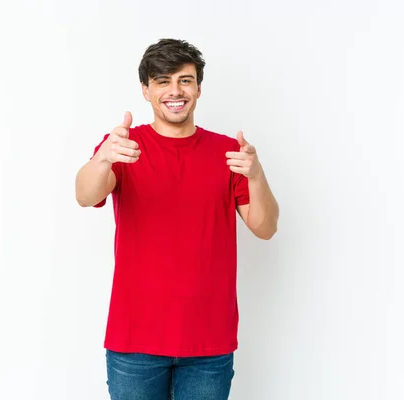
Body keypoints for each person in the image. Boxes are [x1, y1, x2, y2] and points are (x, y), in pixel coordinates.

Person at [75, 38, 279, 400]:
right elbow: (86, 195)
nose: (175, 90)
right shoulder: (123, 146)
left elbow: (265, 228)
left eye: (184, 80)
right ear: (145, 90)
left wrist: (257, 175)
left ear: (198, 88)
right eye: (162, 81)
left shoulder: (228, 153)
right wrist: (103, 158)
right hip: (134, 339)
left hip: (209, 341)